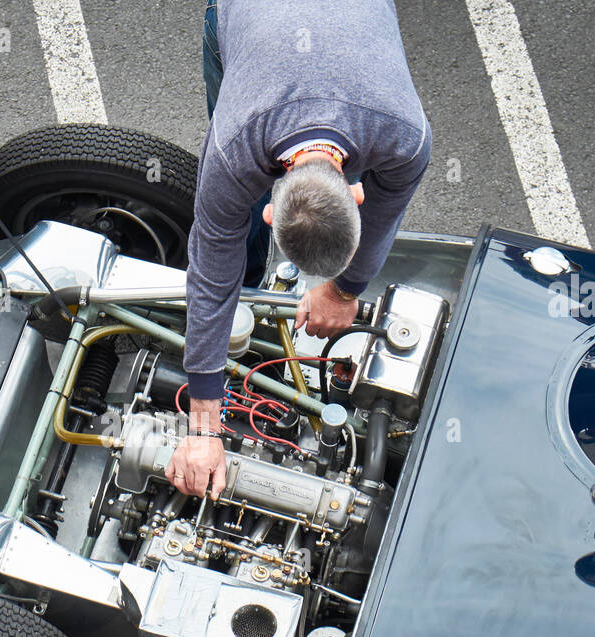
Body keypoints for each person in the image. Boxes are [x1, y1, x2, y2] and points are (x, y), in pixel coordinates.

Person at [166, 0, 431, 499]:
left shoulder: (404, 136)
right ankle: (246, 300)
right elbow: (211, 261)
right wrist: (203, 426)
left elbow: (385, 215)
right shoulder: (234, 146)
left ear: (357, 196)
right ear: (266, 210)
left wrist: (344, 291)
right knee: (226, 232)